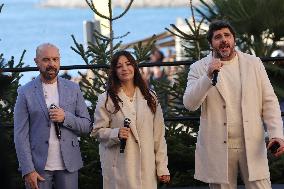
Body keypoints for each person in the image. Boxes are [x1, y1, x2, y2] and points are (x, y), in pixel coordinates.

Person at [183, 20, 284, 189]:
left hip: (251, 143)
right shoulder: (199, 68)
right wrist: (208, 77)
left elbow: (269, 101)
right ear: (211, 43)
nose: (223, 40)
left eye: (227, 35)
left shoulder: (254, 63)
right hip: (217, 146)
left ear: (234, 39)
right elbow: (189, 104)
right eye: (217, 37)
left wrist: (276, 134)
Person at [14, 43, 92, 189]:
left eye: (55, 59)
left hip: (69, 164)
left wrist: (65, 118)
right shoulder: (25, 92)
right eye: (46, 60)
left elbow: (86, 126)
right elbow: (20, 135)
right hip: (37, 167)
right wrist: (28, 169)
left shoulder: (73, 88)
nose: (52, 64)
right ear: (36, 61)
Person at [91, 50, 170, 189]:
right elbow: (97, 131)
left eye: (128, 64)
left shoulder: (150, 96)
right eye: (119, 66)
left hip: (146, 168)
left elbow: (159, 135)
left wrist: (162, 167)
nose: (124, 69)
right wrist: (115, 133)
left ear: (134, 67)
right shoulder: (106, 99)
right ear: (114, 71)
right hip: (120, 169)